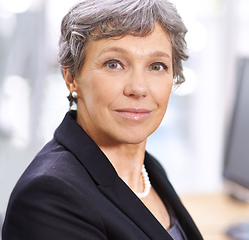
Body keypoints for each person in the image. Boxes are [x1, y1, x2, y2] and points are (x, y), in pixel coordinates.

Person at [2, 0, 203, 239]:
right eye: (114, 64)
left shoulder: (148, 170)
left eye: (157, 66)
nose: (138, 88)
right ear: (71, 77)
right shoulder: (49, 197)